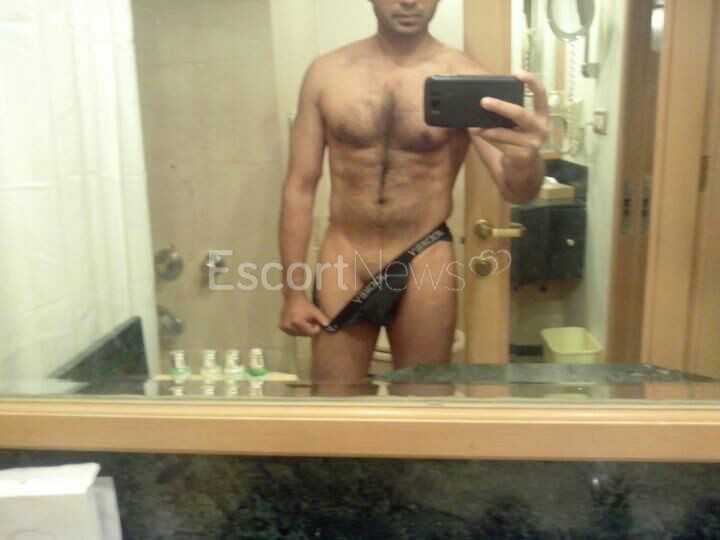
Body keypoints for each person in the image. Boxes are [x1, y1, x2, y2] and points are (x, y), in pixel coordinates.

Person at [279, 0, 549, 393]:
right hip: (344, 254)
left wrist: (527, 159)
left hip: (423, 254)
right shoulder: (327, 74)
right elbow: (299, 187)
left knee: (423, 401)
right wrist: (292, 292)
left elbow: (516, 189)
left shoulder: (466, 79)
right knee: (334, 400)